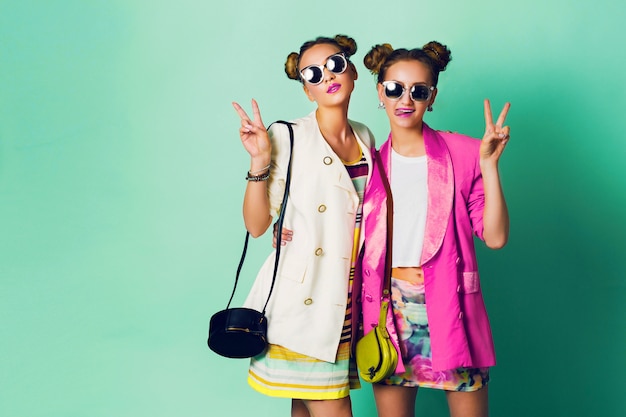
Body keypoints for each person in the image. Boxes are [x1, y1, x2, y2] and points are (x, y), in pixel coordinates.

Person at [359, 40, 511, 417]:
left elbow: (495, 237)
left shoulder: (464, 152)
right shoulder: (366, 163)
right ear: (380, 92)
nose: (404, 99)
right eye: (394, 88)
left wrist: (489, 167)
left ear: (432, 96)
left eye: (418, 90)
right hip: (387, 314)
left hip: (450, 306)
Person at [232, 34, 376, 417]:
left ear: (353, 71)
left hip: (346, 300)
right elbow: (258, 224)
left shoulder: (364, 136)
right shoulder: (288, 135)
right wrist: (259, 160)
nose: (327, 75)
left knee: (304, 408)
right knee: (329, 405)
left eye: (335, 63)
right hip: (305, 299)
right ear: (307, 91)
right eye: (312, 73)